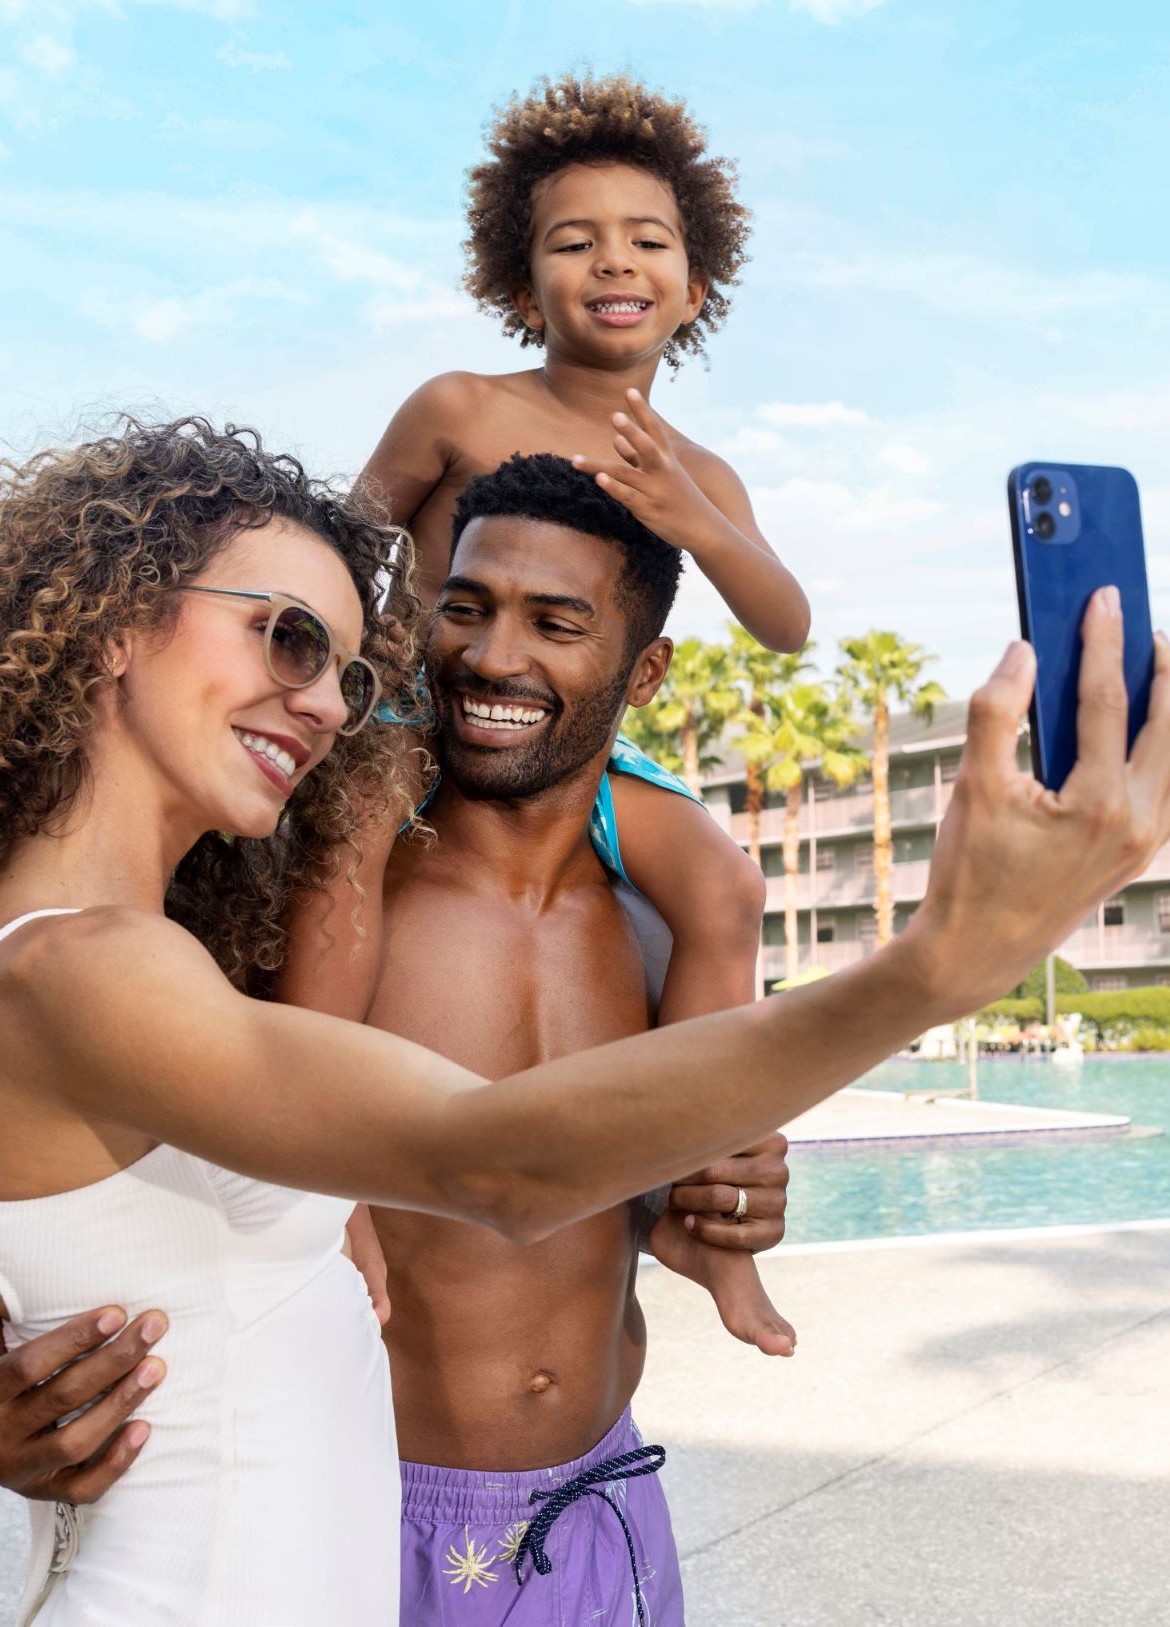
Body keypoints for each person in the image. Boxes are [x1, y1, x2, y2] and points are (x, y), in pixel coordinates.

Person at [0, 417, 1170, 1625]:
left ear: (641, 669)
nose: (321, 700)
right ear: (119, 617)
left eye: (350, 672)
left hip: (547, 1511)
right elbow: (490, 1158)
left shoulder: (171, 943)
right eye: (288, 636)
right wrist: (943, 963)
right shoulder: (89, 963)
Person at [361, 75, 805, 1347]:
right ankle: (331, 1170)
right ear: (523, 279)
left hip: (572, 745)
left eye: (647, 240)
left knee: (721, 883)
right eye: (574, 239)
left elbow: (786, 623)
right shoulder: (459, 407)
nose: (614, 259)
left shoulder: (696, 471)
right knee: (336, 868)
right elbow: (341, 544)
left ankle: (715, 1229)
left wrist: (692, 520)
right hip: (412, 716)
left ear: (693, 286)